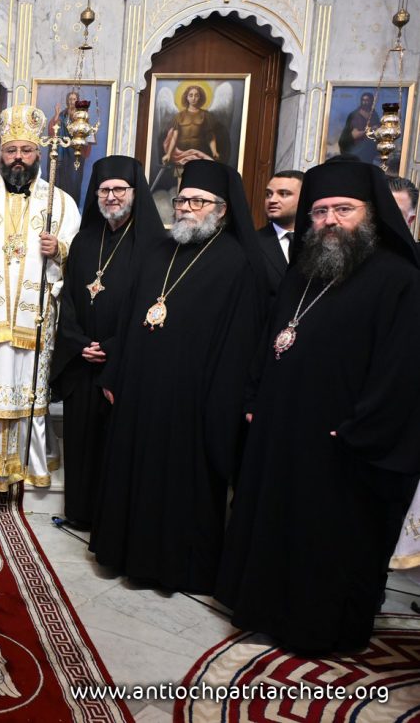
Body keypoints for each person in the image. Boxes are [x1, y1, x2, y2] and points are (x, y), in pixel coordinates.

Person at [217, 158, 420, 653]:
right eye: (320, 211)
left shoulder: (399, 279)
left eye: (343, 209)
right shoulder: (306, 269)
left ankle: (317, 630)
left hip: (341, 440)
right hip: (280, 427)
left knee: (324, 539)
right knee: (275, 524)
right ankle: (264, 610)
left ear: (371, 213)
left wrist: (359, 429)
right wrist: (253, 397)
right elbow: (273, 337)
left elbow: (403, 371)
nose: (330, 220)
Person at [89, 160, 268, 594]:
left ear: (222, 209)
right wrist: (115, 372)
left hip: (191, 401)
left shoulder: (238, 263)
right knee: (132, 472)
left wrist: (216, 402)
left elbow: (239, 345)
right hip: (139, 390)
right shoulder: (159, 252)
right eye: (182, 200)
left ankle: (170, 568)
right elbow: (131, 317)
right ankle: (123, 553)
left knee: (177, 483)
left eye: (197, 202)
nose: (185, 208)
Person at [0, 105, 79, 492]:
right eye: (11, 151)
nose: (18, 158)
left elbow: (80, 255)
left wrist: (60, 250)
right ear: (0, 154)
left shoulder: (60, 203)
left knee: (27, 389)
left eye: (25, 150)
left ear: (38, 153)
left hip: (33, 319)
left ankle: (30, 462)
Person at [50, 156, 164, 530]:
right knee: (81, 440)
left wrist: (114, 346)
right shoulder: (85, 240)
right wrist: (77, 342)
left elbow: (152, 304)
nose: (111, 196)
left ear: (135, 192)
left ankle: (110, 521)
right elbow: (67, 298)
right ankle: (79, 512)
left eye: (119, 189)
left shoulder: (155, 245)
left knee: (116, 443)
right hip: (82, 359)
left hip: (124, 361)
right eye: (104, 190)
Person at [256, 170, 303, 288]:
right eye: (268, 194)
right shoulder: (252, 242)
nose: (272, 200)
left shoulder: (319, 240)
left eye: (283, 194)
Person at [49, 90, 91, 206]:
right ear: (67, 101)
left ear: (77, 101)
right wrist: (56, 115)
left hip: (75, 154)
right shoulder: (62, 115)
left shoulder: (81, 116)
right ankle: (59, 205)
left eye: (74, 99)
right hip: (62, 153)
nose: (72, 101)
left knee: (74, 181)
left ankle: (73, 205)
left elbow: (88, 132)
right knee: (61, 180)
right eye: (70, 99)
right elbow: (53, 131)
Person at [338, 91, 381, 164]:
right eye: (363, 100)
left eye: (367, 100)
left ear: (371, 101)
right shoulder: (355, 115)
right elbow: (355, 135)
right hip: (356, 146)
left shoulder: (374, 114)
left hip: (370, 147)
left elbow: (377, 129)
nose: (365, 102)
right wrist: (370, 130)